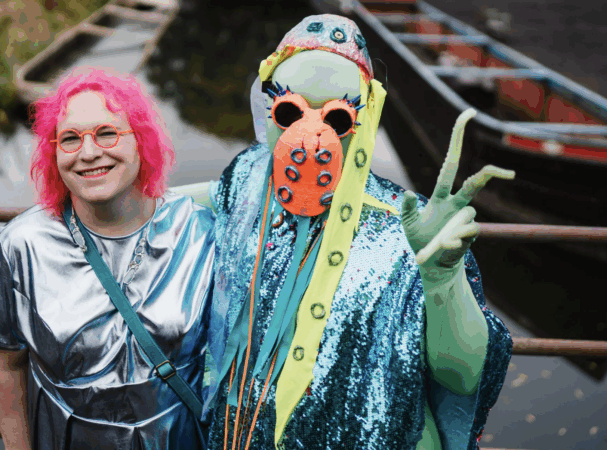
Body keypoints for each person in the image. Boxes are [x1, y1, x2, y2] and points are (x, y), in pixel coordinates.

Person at [204, 15, 514, 450]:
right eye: (290, 112)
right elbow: (206, 198)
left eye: (336, 119)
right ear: (266, 109)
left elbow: (463, 376)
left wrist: (444, 278)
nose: (309, 137)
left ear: (363, 121)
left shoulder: (410, 226)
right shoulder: (247, 178)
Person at [0, 68, 215, 450]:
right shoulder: (20, 245)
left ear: (140, 141)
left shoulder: (200, 231)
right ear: (52, 153)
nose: (89, 153)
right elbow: (4, 363)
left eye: (107, 133)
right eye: (69, 139)